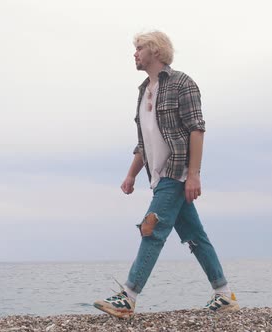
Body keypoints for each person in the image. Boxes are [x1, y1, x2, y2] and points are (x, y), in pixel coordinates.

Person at [93, 31, 239, 319]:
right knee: (195, 236)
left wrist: (193, 174)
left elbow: (196, 129)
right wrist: (131, 175)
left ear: (156, 50)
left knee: (152, 228)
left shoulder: (183, 84)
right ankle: (223, 294)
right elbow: (144, 142)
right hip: (158, 176)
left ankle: (129, 296)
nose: (134, 53)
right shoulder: (143, 90)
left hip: (177, 171)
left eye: (139, 47)